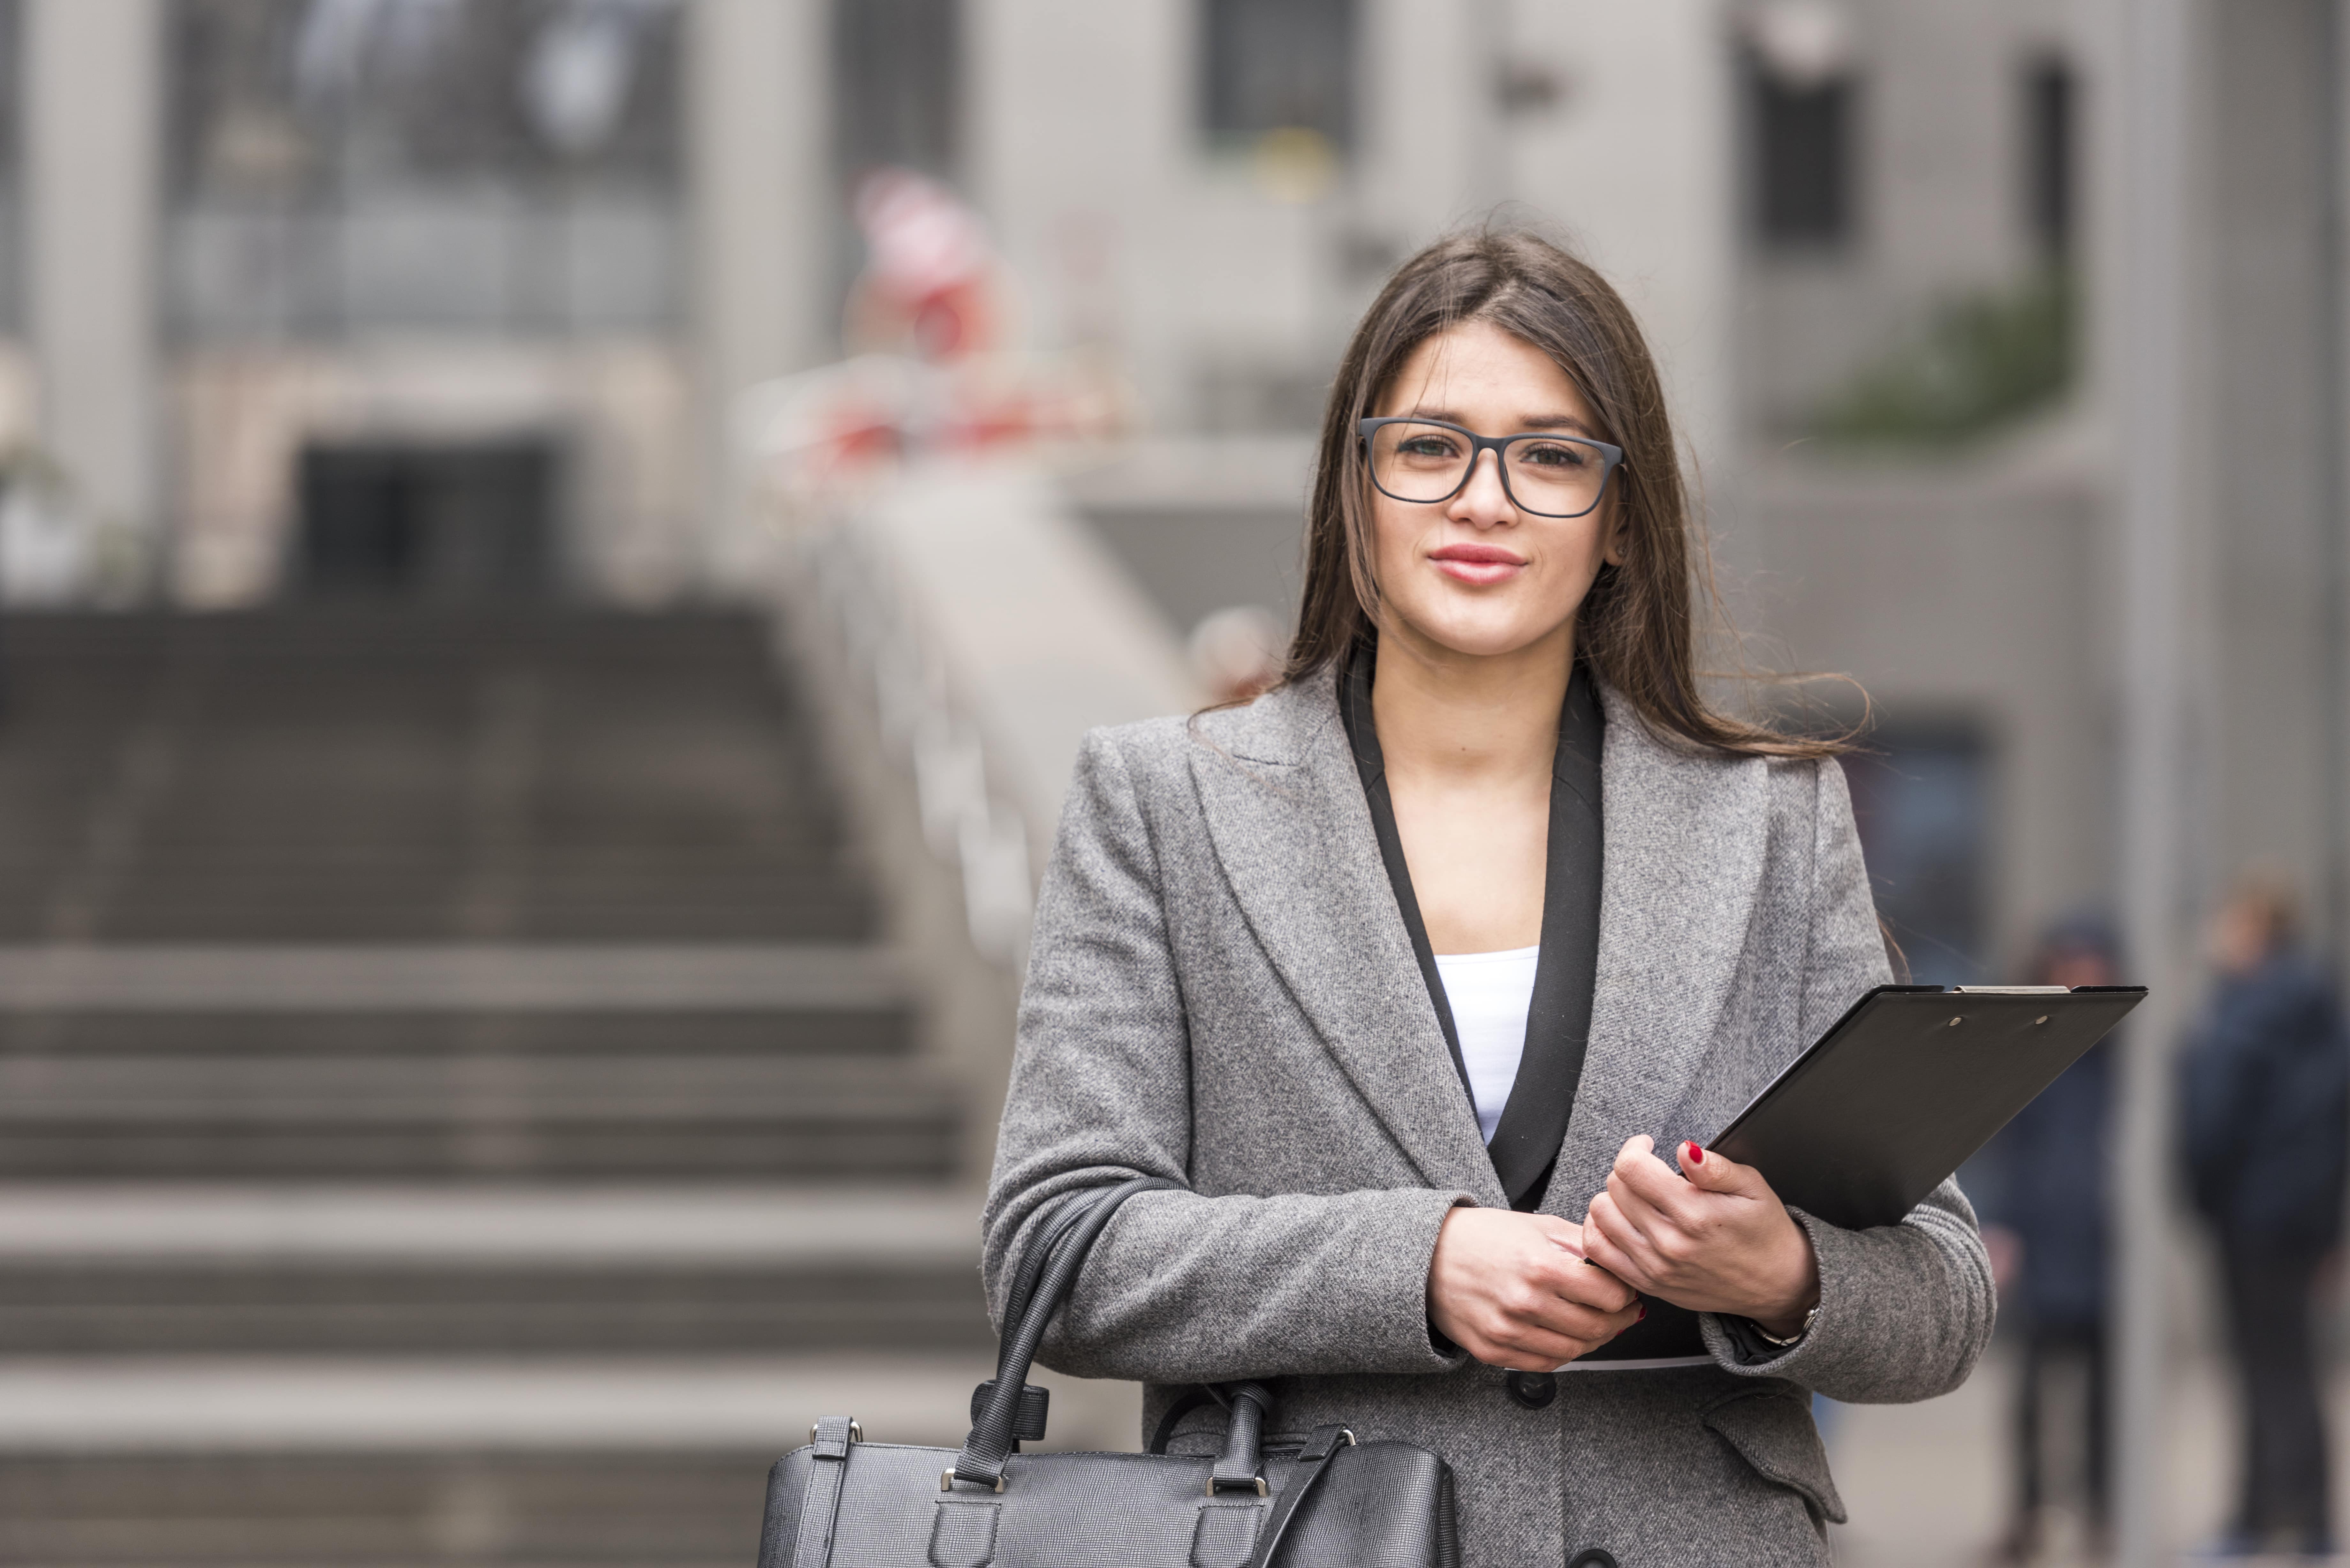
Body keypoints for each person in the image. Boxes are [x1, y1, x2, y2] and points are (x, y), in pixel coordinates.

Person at [982, 229, 1994, 1567]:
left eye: (1551, 455)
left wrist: (1781, 1274)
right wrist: (1419, 1264)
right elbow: (1058, 1244)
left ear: (1621, 517)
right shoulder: (1162, 804)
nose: (1484, 498)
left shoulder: (1769, 820)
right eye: (1429, 445)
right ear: (1356, 486)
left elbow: (1945, 1291)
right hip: (1299, 1535)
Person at [2179, 874, 2349, 1557]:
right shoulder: (2317, 1006)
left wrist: (2198, 1192)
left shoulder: (2244, 1009)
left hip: (2248, 1215)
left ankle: (2258, 1519)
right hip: (2299, 1218)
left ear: (2253, 926)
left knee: (2259, 1371)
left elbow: (2212, 1120)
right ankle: (2301, 1520)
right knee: (2292, 1369)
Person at [1985, 914, 2121, 1562]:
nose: (2078, 976)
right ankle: (2027, 1514)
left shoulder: (2124, 1057)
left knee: (2105, 1399)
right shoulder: (2030, 1051)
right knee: (2032, 1400)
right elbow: (2010, 1148)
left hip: (2105, 1247)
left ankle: (2103, 1516)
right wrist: (2001, 1225)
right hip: (2044, 1243)